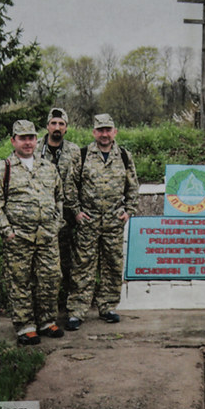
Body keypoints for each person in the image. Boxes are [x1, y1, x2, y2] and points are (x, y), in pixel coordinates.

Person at [0, 120, 65, 345]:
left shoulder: (48, 167)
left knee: (50, 278)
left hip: (47, 236)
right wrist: (6, 231)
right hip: (19, 237)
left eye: (31, 138)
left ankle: (47, 321)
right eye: (22, 138)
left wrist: (57, 223)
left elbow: (59, 197)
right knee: (19, 281)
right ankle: (25, 326)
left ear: (36, 140)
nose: (28, 142)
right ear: (13, 141)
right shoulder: (3, 168)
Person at [66, 113, 138, 330]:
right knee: (82, 266)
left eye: (108, 130)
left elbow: (133, 186)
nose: (105, 134)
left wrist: (129, 211)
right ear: (94, 132)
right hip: (88, 221)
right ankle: (77, 311)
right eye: (100, 130)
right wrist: (77, 212)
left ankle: (107, 307)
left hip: (114, 222)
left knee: (113, 265)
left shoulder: (124, 156)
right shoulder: (83, 154)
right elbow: (70, 185)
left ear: (114, 131)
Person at [37, 107, 81, 311]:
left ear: (66, 128)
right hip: (41, 216)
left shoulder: (75, 152)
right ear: (47, 126)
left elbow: (81, 181)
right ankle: (42, 306)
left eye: (61, 124)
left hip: (67, 217)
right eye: (53, 123)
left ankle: (64, 304)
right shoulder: (35, 148)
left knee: (66, 262)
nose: (57, 127)